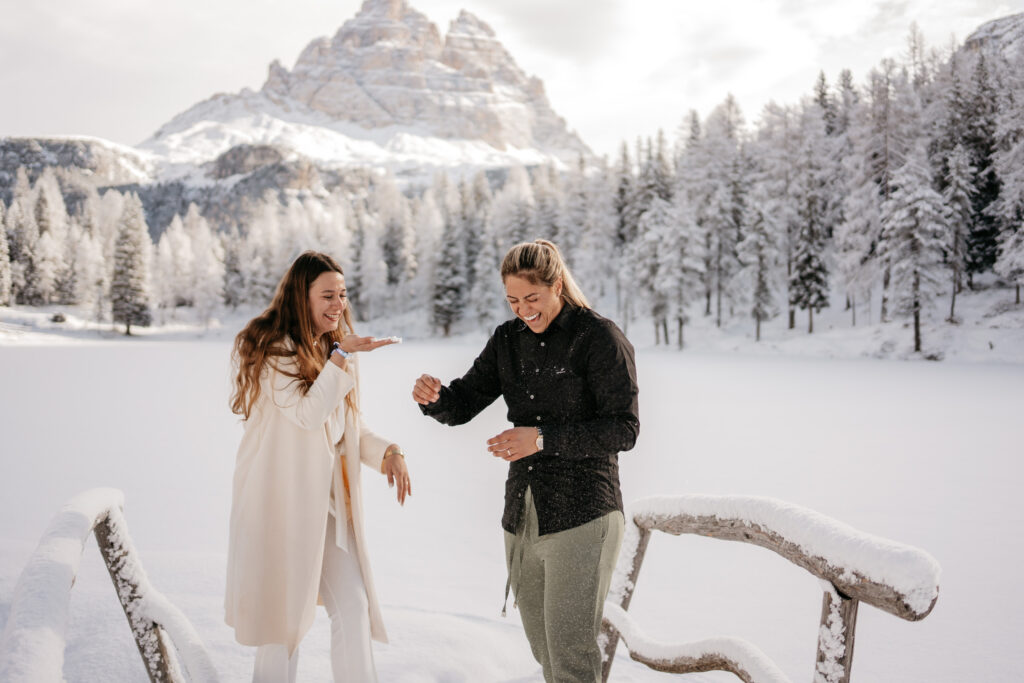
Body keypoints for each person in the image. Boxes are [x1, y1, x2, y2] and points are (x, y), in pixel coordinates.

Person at [412, 239, 639, 682]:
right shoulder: (507, 340)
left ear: (557, 286)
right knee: (545, 653)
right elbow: (464, 402)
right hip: (523, 514)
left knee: (571, 661)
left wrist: (540, 438)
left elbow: (623, 429)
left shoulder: (598, 338)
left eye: (532, 298)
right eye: (513, 300)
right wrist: (436, 398)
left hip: (584, 515)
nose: (523, 310)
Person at [226, 250, 411, 682]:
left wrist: (388, 452)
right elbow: (309, 415)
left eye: (343, 294)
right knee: (281, 625)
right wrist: (342, 356)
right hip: (280, 505)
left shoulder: (333, 349)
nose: (338, 304)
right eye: (328, 295)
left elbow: (348, 425)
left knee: (353, 606)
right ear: (300, 297)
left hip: (326, 509)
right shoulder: (273, 349)